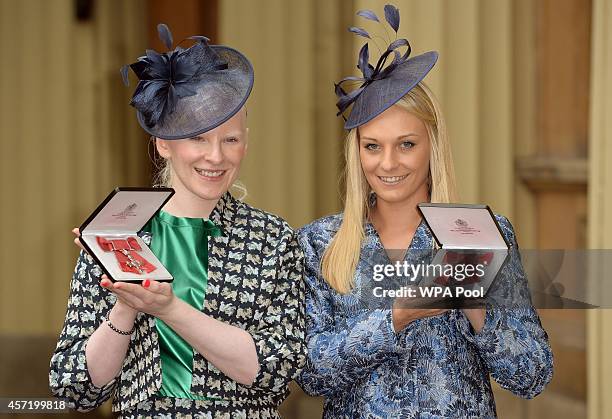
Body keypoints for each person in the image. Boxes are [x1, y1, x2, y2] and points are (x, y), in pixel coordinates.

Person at [297, 5, 553, 418]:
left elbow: (533, 375)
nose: (389, 163)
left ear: (432, 145)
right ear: (357, 151)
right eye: (373, 146)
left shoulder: (482, 234)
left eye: (407, 144)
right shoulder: (320, 241)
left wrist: (477, 309)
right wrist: (394, 320)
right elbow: (308, 373)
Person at [49, 24, 306, 418]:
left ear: (247, 142)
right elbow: (77, 390)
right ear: (163, 142)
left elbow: (274, 372)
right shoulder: (118, 234)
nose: (216, 156)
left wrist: (169, 308)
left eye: (230, 139)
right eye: (197, 138)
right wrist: (125, 304)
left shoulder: (272, 238)